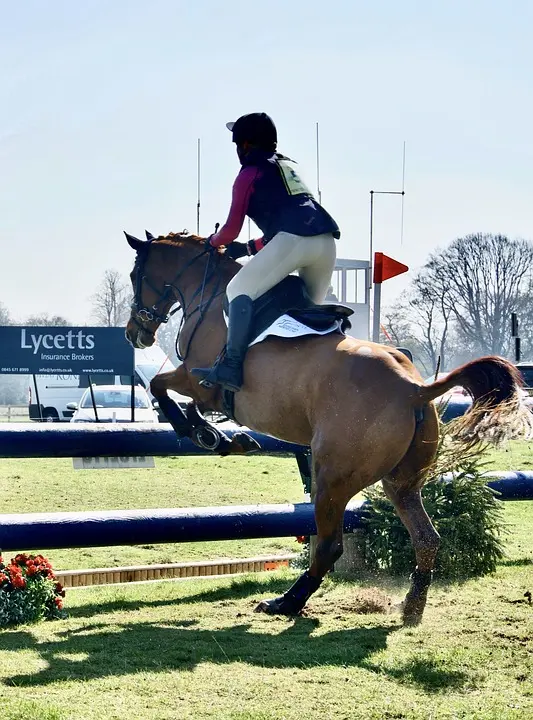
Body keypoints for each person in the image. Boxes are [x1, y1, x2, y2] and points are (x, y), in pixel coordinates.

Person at [192, 112, 340, 392]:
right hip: (326, 241)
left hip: (294, 240)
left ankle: (231, 367)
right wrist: (248, 248)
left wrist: (212, 242)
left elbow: (230, 230)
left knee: (237, 290)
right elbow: (287, 223)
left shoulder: (249, 173)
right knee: (309, 313)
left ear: (245, 145)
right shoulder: (288, 167)